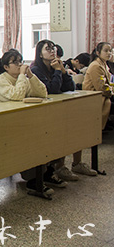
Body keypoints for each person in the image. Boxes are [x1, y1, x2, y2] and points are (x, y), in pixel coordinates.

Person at [32, 40, 96, 180]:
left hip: (60, 107)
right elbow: (52, 90)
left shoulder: (56, 66)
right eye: (47, 49)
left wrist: (62, 71)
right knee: (62, 132)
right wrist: (57, 71)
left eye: (53, 48)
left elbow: (70, 87)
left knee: (76, 128)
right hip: (44, 111)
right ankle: (59, 167)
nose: (52, 51)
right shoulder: (36, 69)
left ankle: (77, 163)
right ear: (40, 54)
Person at [84, 42, 113, 132]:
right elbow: (101, 87)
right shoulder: (96, 66)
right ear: (98, 53)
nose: (109, 53)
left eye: (110, 51)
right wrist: (111, 92)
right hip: (95, 96)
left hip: (103, 94)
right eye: (106, 51)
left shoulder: (104, 64)